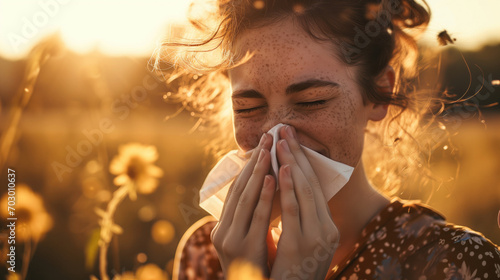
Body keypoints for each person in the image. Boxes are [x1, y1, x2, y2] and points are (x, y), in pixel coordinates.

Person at [154, 0, 500, 279]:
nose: (277, 135)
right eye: (248, 108)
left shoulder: (451, 263)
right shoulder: (210, 250)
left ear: (380, 93)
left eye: (311, 101)